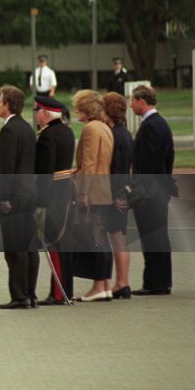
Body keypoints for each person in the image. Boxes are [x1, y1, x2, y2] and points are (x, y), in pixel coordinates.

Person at [0, 85, 39, 310]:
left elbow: (7, 168)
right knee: (29, 247)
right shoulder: (28, 129)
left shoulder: (10, 131)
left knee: (15, 248)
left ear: (8, 104)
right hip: (28, 194)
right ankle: (30, 292)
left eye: (0, 101)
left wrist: (4, 198)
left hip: (13, 198)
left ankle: (19, 295)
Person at [129, 85, 176, 296]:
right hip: (160, 189)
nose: (130, 105)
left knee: (152, 236)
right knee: (158, 235)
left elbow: (146, 164)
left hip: (149, 192)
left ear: (141, 100)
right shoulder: (161, 124)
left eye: (133, 100)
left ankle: (155, 283)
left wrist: (140, 192)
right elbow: (167, 159)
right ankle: (160, 280)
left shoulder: (149, 127)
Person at [72, 90, 115, 302]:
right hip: (105, 188)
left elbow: (88, 163)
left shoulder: (90, 129)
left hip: (93, 190)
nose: (75, 111)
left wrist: (83, 193)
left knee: (94, 240)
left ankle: (98, 285)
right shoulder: (105, 128)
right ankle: (105, 283)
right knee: (102, 238)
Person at [33, 95, 76, 306]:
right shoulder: (67, 132)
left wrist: (39, 201)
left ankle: (59, 293)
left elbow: (45, 173)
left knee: (54, 243)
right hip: (66, 188)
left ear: (46, 113)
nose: (36, 116)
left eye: (38, 112)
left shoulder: (47, 137)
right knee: (63, 241)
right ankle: (65, 288)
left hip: (53, 193)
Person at [104, 92, 135, 298]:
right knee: (120, 238)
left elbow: (115, 168)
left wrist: (114, 194)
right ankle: (123, 281)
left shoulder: (115, 135)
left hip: (116, 192)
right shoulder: (126, 133)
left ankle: (121, 282)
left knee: (116, 238)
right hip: (124, 188)